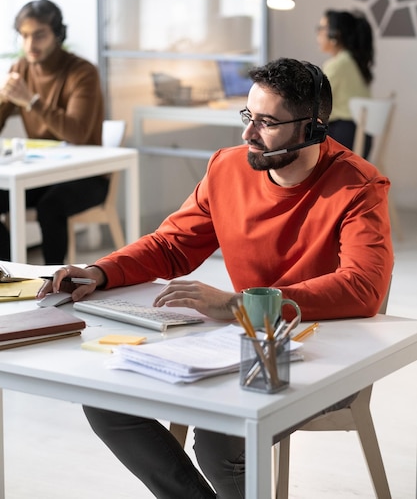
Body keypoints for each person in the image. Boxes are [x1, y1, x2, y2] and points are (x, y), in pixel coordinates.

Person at [38, 57, 393, 499]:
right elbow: (171, 245)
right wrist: (101, 270)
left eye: (268, 123)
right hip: (237, 344)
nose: (248, 134)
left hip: (325, 356)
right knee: (106, 398)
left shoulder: (358, 187)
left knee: (219, 443)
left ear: (315, 128)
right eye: (249, 116)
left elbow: (362, 287)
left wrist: (240, 305)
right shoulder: (227, 168)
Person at [0, 0, 108, 264]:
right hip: (40, 173)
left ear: (57, 34)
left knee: (51, 207)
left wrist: (32, 101)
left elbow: (77, 133)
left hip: (88, 175)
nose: (30, 45)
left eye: (39, 35)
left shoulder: (82, 72)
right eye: (24, 36)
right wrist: (4, 99)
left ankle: (56, 284)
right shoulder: (21, 69)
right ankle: (11, 272)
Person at [316, 9, 374, 158]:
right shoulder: (352, 61)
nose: (318, 33)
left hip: (345, 137)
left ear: (335, 34)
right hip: (360, 135)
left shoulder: (339, 64)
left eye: (322, 28)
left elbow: (315, 100)